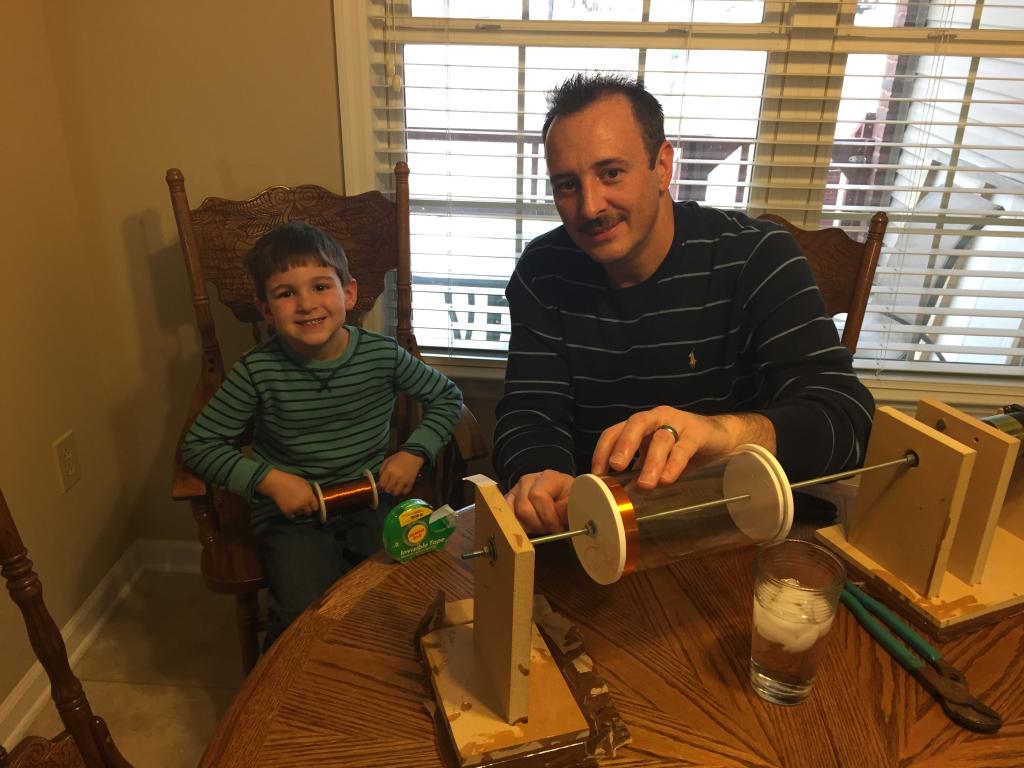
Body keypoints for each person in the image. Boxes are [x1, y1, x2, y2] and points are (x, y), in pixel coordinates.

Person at [494, 73, 874, 534]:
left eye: (611, 173)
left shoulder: (757, 256)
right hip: (596, 527)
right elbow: (531, 415)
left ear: (662, 165)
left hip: (731, 523)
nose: (590, 207)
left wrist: (727, 434)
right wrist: (541, 478)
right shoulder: (542, 272)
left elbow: (849, 423)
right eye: (567, 185)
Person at [182, 221, 463, 646]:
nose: (306, 304)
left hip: (370, 495)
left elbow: (446, 397)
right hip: (291, 513)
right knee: (302, 611)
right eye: (286, 293)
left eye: (320, 287)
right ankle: (297, 680)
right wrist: (270, 481)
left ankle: (375, 668)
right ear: (266, 310)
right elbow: (200, 446)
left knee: (396, 591)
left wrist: (414, 452)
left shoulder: (382, 355)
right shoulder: (257, 370)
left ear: (347, 293)